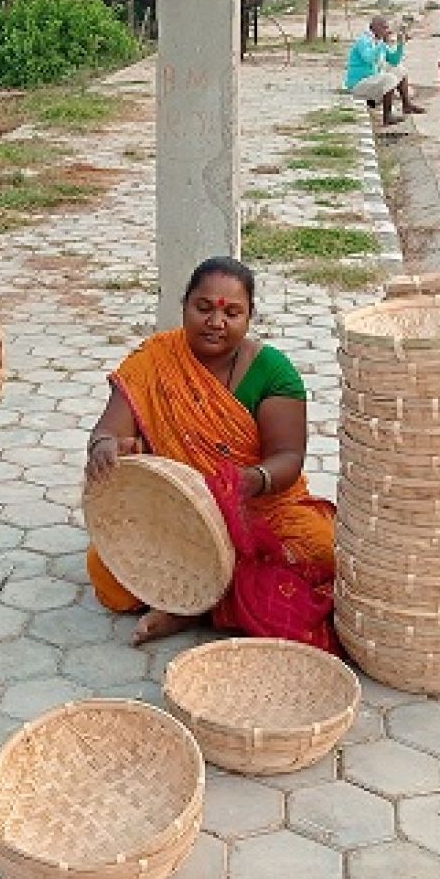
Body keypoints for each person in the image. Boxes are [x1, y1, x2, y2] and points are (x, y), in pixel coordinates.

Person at [85, 260, 338, 650]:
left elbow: (287, 457)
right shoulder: (153, 362)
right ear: (184, 306)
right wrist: (105, 447)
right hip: (179, 513)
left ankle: (193, 605)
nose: (216, 321)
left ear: (249, 317)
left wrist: (246, 482)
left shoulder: (273, 372)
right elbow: (110, 429)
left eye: (231, 312)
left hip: (258, 509)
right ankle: (209, 598)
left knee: (322, 549)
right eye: (203, 308)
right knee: (109, 576)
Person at [346, 16, 421, 128]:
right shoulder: (363, 41)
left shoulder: (379, 41)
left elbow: (394, 61)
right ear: (373, 28)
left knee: (400, 70)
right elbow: (369, 58)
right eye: (383, 28)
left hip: (371, 80)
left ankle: (407, 104)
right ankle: (387, 116)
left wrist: (400, 44)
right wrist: (382, 43)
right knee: (389, 79)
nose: (386, 31)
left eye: (387, 28)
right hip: (358, 83)